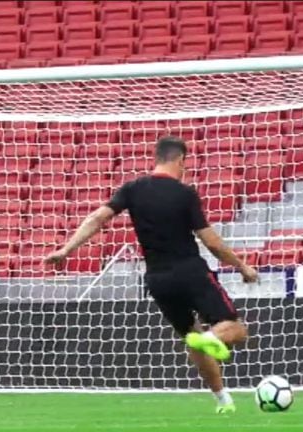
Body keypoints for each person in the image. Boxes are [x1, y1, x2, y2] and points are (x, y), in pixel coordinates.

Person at [43, 136, 259, 414]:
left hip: (157, 280)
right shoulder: (185, 194)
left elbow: (97, 218)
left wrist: (65, 250)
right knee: (236, 328)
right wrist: (243, 267)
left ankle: (223, 401)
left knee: (192, 337)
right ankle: (213, 339)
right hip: (190, 271)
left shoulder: (133, 189)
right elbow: (212, 242)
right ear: (180, 160)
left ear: (156, 158)